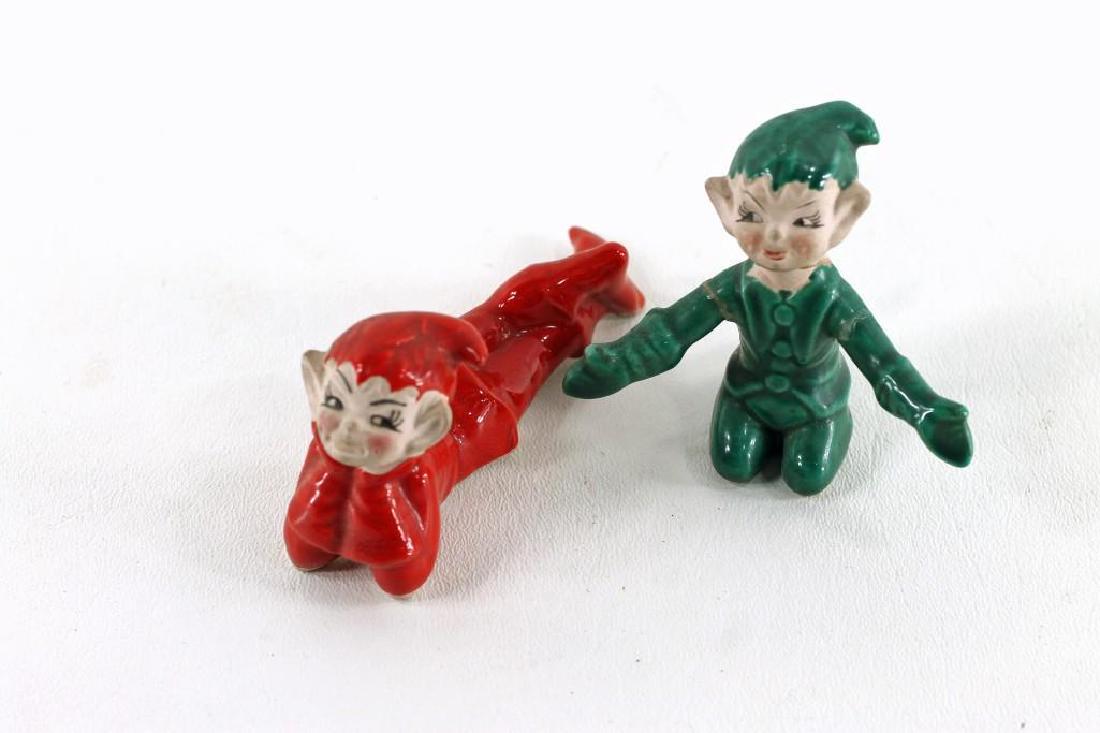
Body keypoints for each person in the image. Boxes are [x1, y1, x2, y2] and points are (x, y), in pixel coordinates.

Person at [562, 101, 972, 495]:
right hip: (746, 395)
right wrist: (621, 363)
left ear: (844, 216)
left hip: (818, 405)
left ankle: (831, 426)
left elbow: (883, 363)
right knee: (732, 464)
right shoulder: (736, 286)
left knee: (806, 477)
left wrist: (925, 410)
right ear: (726, 205)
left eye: (805, 219)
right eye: (752, 214)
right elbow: (672, 330)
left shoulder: (833, 298)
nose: (775, 236)